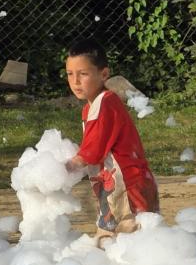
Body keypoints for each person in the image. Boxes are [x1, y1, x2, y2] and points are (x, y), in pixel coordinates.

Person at [62, 38, 160, 241]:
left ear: (104, 74)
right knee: (118, 237)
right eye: (70, 74)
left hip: (128, 186)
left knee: (128, 238)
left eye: (83, 74)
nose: (75, 81)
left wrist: (68, 167)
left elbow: (93, 149)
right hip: (118, 184)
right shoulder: (92, 106)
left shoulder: (105, 103)